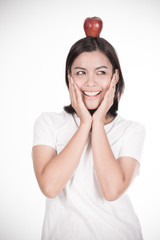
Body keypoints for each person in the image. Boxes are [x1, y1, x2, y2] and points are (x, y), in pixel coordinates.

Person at [32, 36, 146, 239]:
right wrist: (85, 123)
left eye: (101, 72)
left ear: (115, 77)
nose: (91, 82)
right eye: (80, 72)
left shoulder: (132, 130)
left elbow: (112, 190)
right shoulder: (48, 122)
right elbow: (49, 186)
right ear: (69, 77)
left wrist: (98, 121)